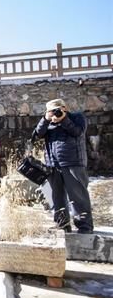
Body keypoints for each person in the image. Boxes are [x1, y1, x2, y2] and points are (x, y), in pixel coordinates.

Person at [34, 99, 93, 234]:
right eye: (51, 111)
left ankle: (85, 227)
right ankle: (62, 225)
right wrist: (45, 119)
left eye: (58, 110)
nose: (55, 113)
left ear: (64, 108)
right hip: (53, 164)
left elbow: (78, 132)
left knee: (78, 196)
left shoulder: (77, 117)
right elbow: (38, 134)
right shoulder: (47, 123)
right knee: (56, 197)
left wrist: (63, 119)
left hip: (74, 163)